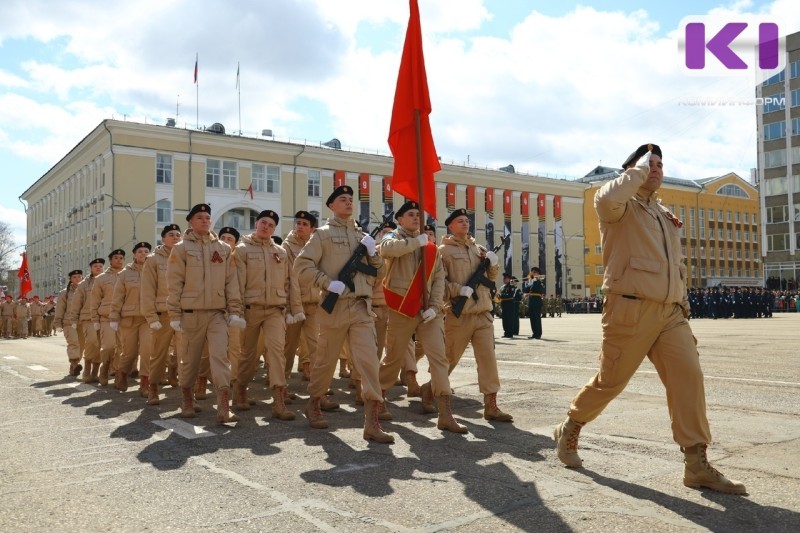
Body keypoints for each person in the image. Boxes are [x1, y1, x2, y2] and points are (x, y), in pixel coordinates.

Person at [553, 143, 746, 494]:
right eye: (649, 164)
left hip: (670, 312)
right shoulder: (618, 207)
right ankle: (571, 425)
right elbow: (606, 196)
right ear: (632, 170)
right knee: (610, 382)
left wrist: (683, 302)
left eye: (660, 164)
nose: (656, 169)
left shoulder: (663, 214)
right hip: (630, 309)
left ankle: (696, 462)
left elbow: (677, 265)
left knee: (689, 377)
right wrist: (637, 170)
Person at [294, 185, 393, 443]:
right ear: (331, 206)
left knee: (369, 363)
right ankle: (314, 403)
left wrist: (373, 254)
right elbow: (301, 266)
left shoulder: (362, 236)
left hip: (361, 307)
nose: (348, 203)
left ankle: (372, 422)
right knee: (325, 362)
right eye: (343, 199)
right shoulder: (322, 235)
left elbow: (380, 274)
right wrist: (326, 283)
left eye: (351, 199)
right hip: (335, 307)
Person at [378, 201, 467, 433]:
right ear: (400, 219)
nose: (416, 218)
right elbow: (386, 250)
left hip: (429, 312)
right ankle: (378, 399)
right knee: (393, 358)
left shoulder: (430, 247)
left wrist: (435, 307)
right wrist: (412, 243)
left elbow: (438, 278)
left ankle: (445, 413)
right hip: (402, 309)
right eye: (411, 214)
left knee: (439, 358)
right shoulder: (393, 239)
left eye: (418, 214)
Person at [167, 203, 244, 423]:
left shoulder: (223, 248)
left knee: (221, 357)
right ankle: (187, 399)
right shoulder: (181, 249)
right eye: (200, 217)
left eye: (207, 217)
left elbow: (232, 282)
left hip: (217, 314)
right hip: (190, 314)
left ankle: (223, 406)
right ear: (190, 221)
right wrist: (174, 314)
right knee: (190, 360)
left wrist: (235, 310)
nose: (205, 220)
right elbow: (174, 283)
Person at [440, 208, 513, 423]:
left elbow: (491, 279)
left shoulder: (478, 249)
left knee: (488, 360)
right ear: (450, 225)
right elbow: (438, 284)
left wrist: (493, 263)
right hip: (459, 314)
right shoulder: (443, 251)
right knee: (449, 359)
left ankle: (491, 405)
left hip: (483, 314)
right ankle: (431, 390)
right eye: (460, 221)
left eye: (466, 221)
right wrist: (457, 290)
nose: (465, 224)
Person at [234, 209, 297, 421]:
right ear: (256, 223)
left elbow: (290, 282)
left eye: (270, 225)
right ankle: (240, 389)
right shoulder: (242, 250)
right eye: (263, 223)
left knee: (276, 352)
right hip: (250, 309)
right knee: (248, 354)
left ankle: (278, 399)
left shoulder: (281, 251)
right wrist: (236, 311)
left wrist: (293, 309)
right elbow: (237, 284)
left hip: (275, 310)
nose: (266, 227)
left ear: (274, 229)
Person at [141, 224, 182, 405]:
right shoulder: (153, 260)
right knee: (158, 354)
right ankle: (153, 389)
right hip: (163, 315)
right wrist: (151, 317)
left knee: (187, 355)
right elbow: (147, 290)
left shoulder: (185, 256)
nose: (175, 237)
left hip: (184, 314)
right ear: (163, 239)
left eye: (178, 235)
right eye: (171, 235)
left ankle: (188, 396)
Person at [109, 241, 152, 397]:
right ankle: (122, 374)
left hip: (149, 318)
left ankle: (145, 383)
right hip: (129, 319)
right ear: (134, 254)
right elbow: (118, 297)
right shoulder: (125, 274)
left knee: (147, 350)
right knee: (129, 352)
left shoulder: (153, 270)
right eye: (140, 251)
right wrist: (114, 317)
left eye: (146, 251)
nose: (143, 253)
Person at [89, 249, 126, 385]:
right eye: (115, 257)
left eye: (121, 258)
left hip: (125, 318)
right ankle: (105, 367)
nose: (118, 260)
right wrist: (95, 319)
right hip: (107, 318)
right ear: (110, 260)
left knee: (123, 348)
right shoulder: (101, 278)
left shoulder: (127, 275)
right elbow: (95, 300)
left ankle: (118, 373)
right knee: (109, 346)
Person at [66, 258, 105, 383]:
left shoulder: (108, 280)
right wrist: (74, 318)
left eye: (100, 266)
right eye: (95, 266)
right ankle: (87, 369)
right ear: (91, 268)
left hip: (104, 317)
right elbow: (77, 302)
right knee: (92, 342)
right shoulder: (85, 284)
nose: (98, 268)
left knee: (101, 345)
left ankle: (94, 372)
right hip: (88, 318)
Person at [54, 270, 85, 377]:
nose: (77, 279)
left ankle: (73, 367)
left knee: (81, 346)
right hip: (68, 322)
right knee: (74, 343)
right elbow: (60, 309)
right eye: (74, 277)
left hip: (82, 322)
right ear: (70, 279)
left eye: (79, 277)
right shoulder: (64, 293)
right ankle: (75, 363)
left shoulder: (86, 291)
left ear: (82, 278)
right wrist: (58, 323)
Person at [497, 273, 521, 338]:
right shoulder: (504, 287)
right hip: (504, 304)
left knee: (509, 319)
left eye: (505, 278)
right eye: (503, 278)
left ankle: (510, 333)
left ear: (509, 279)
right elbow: (501, 294)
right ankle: (506, 333)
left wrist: (501, 295)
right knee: (504, 319)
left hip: (509, 304)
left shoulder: (512, 286)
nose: (503, 279)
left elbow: (510, 295)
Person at [525, 267, 544, 339]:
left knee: (537, 318)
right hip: (531, 301)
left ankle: (538, 334)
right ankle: (534, 333)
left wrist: (535, 281)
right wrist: (529, 282)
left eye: (535, 272)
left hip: (537, 301)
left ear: (538, 273)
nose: (533, 273)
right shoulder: (531, 281)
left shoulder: (540, 281)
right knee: (532, 318)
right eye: (532, 272)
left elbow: (540, 289)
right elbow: (526, 290)